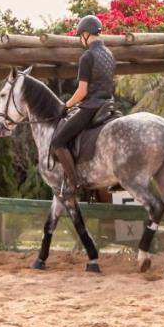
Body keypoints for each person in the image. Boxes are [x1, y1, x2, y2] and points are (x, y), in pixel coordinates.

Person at [50, 15, 115, 198]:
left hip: (92, 107)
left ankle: (73, 183)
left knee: (58, 141)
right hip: (108, 106)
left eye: (81, 36)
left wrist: (66, 105)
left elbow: (82, 91)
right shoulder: (109, 54)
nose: (81, 40)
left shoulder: (87, 56)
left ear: (86, 34)